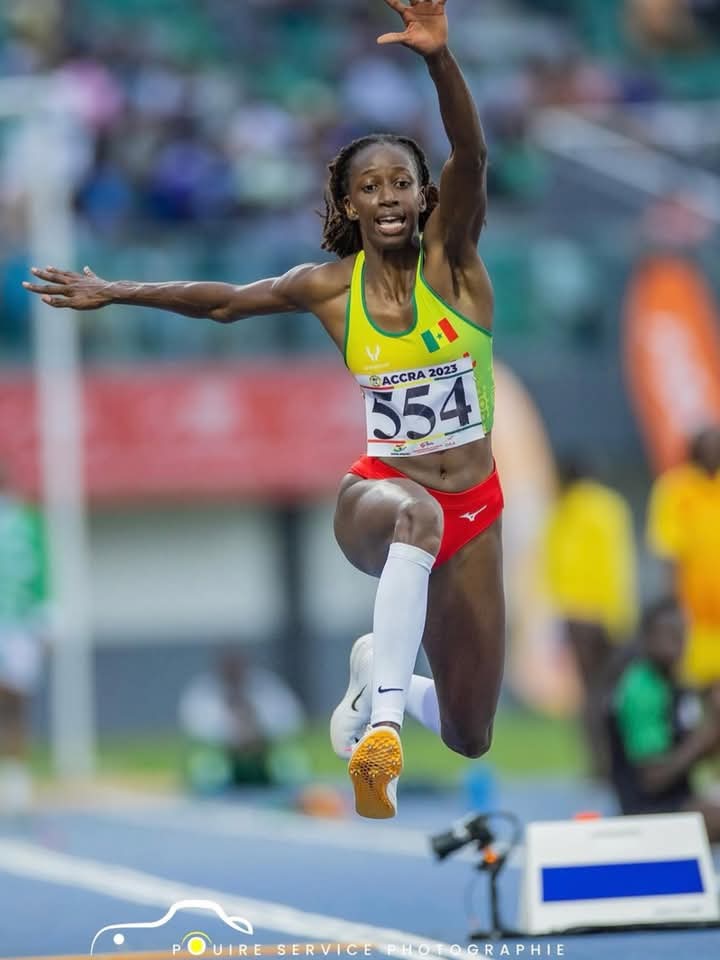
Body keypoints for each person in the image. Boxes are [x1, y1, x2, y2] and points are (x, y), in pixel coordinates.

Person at [23, 0, 504, 820]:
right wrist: (116, 290)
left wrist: (439, 61)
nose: (387, 197)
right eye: (369, 187)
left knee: (470, 735)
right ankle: (380, 735)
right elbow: (222, 303)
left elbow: (473, 150)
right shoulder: (326, 290)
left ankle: (372, 680)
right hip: (380, 495)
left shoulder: (452, 265)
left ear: (425, 197)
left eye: (401, 183)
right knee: (415, 516)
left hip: (479, 509)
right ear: (349, 205)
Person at [541, 457, 637, 778]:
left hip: (577, 614)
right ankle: (622, 759)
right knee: (616, 690)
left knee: (591, 692)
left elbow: (555, 564)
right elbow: (619, 561)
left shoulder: (564, 509)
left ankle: (599, 763)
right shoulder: (611, 506)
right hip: (610, 611)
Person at [607, 597, 720, 841]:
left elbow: (705, 754)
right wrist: (706, 736)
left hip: (679, 800)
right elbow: (653, 778)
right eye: (667, 635)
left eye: (681, 635)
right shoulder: (641, 690)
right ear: (646, 638)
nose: (677, 644)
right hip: (647, 811)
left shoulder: (676, 684)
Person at [646, 425, 720, 690]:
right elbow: (668, 551)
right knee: (693, 689)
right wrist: (674, 606)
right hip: (693, 617)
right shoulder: (676, 490)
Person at [178, 650, 306, 791]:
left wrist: (257, 733)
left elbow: (290, 719)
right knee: (208, 767)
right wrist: (235, 736)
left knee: (289, 763)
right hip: (226, 757)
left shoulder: (264, 687)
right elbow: (198, 728)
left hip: (264, 756)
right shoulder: (204, 693)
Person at [0, 463, 48, 813]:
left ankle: (16, 778)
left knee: (16, 702)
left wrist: (46, 619)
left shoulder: (27, 522)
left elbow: (44, 569)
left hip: (17, 624)